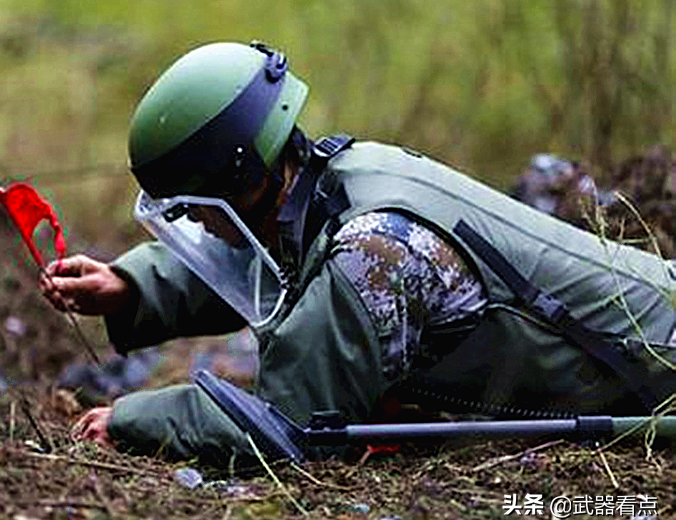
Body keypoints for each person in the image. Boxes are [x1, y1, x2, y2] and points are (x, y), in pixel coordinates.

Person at [40, 41, 676, 464]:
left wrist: (133, 419)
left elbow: (287, 424)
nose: (198, 227)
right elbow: (271, 260)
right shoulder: (341, 174)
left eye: (196, 211)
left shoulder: (371, 251)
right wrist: (132, 286)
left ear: (243, 184)